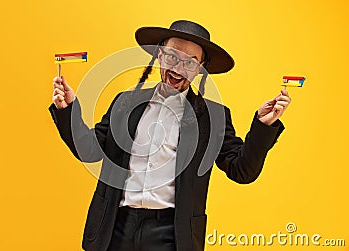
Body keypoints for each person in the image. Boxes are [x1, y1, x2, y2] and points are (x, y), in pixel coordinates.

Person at [49, 20, 291, 251]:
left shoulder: (212, 116)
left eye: (190, 62)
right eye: (172, 56)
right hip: (115, 227)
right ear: (160, 55)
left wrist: (262, 126)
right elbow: (90, 150)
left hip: (171, 234)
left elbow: (242, 170)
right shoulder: (125, 103)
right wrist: (67, 110)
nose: (178, 67)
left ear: (201, 68)